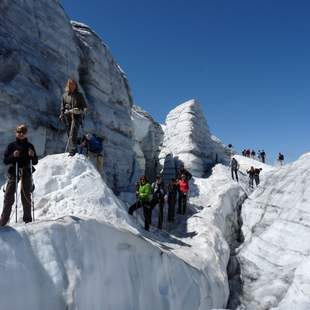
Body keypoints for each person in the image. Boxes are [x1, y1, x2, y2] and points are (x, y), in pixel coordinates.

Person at [0, 124, 38, 226]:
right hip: (14, 171)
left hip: (26, 172)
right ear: (16, 132)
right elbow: (5, 161)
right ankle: (3, 221)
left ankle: (28, 220)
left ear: (26, 134)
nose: (21, 134)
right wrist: (13, 155)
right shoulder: (11, 146)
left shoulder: (30, 146)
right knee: (9, 196)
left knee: (26, 196)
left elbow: (35, 162)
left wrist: (32, 155)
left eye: (23, 132)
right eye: (19, 131)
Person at [59, 79, 87, 156]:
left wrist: (79, 110)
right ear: (68, 85)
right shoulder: (64, 96)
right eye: (71, 84)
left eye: (74, 84)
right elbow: (62, 106)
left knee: (73, 132)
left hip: (77, 116)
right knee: (69, 133)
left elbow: (85, 107)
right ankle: (73, 148)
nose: (73, 86)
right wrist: (61, 114)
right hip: (67, 116)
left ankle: (73, 150)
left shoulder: (79, 95)